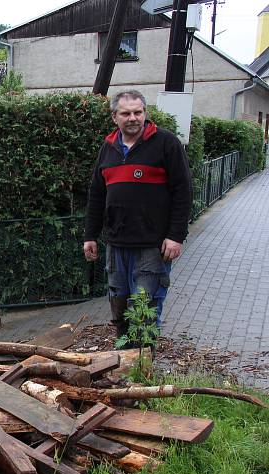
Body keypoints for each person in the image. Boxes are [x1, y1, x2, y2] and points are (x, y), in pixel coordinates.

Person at [83, 90, 192, 338]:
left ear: (145, 113)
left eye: (138, 112)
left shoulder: (166, 143)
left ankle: (142, 363)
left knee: (146, 307)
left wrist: (176, 236)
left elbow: (183, 192)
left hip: (152, 246)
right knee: (118, 305)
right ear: (115, 117)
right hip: (117, 244)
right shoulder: (108, 148)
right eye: (126, 113)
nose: (133, 118)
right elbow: (97, 195)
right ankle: (123, 358)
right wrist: (90, 235)